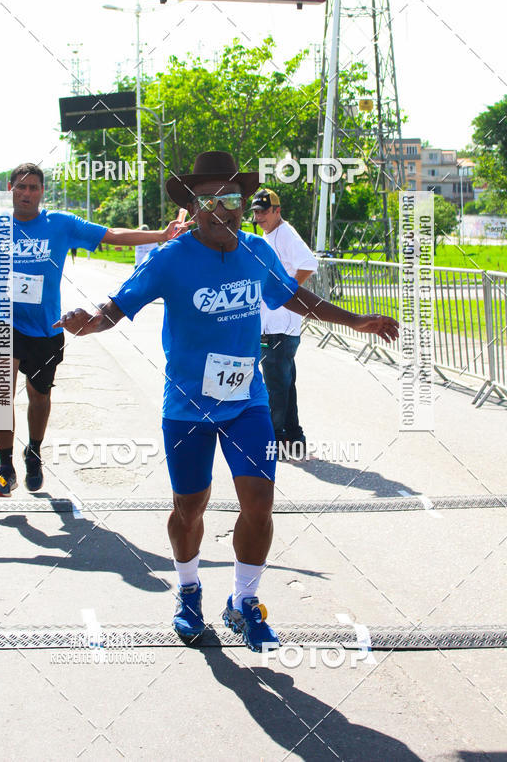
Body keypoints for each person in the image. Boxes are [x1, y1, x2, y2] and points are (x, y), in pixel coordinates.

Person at [55, 151, 399, 652]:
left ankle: (244, 602)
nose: (225, 208)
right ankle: (189, 590)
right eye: (212, 199)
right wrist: (87, 320)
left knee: (260, 503)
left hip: (246, 402)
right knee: (189, 507)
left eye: (233, 198)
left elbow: (291, 296)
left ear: (242, 204)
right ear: (194, 207)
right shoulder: (170, 258)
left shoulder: (257, 250)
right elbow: (118, 305)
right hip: (188, 408)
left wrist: (355, 320)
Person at [0, 162, 185, 498]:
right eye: (20, 187)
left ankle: (34, 452)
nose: (26, 193)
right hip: (4, 321)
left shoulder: (60, 224)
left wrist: (161, 235)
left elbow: (111, 234)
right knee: (1, 394)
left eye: (33, 187)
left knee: (40, 397)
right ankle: (4, 467)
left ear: (42, 192)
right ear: (10, 190)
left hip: (45, 327)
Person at [251, 187, 318, 457]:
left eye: (264, 212)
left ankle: (276, 440)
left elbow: (308, 263)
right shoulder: (270, 235)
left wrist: (287, 292)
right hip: (275, 323)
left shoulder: (285, 234)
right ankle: (294, 436)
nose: (259, 217)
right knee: (285, 383)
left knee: (275, 385)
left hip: (280, 324)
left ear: (277, 211)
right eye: (256, 212)